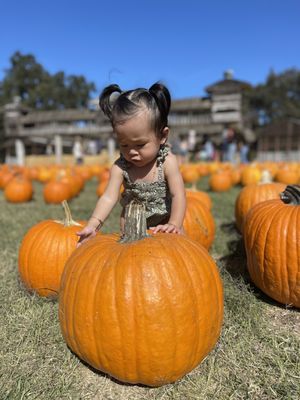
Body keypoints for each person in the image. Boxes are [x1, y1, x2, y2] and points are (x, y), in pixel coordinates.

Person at [76, 82, 186, 247]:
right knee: (132, 262)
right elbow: (108, 197)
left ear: (162, 136)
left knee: (178, 253)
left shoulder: (167, 162)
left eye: (140, 145)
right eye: (124, 145)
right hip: (131, 229)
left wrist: (174, 224)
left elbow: (179, 195)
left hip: (164, 226)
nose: (132, 152)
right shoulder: (120, 168)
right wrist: (93, 225)